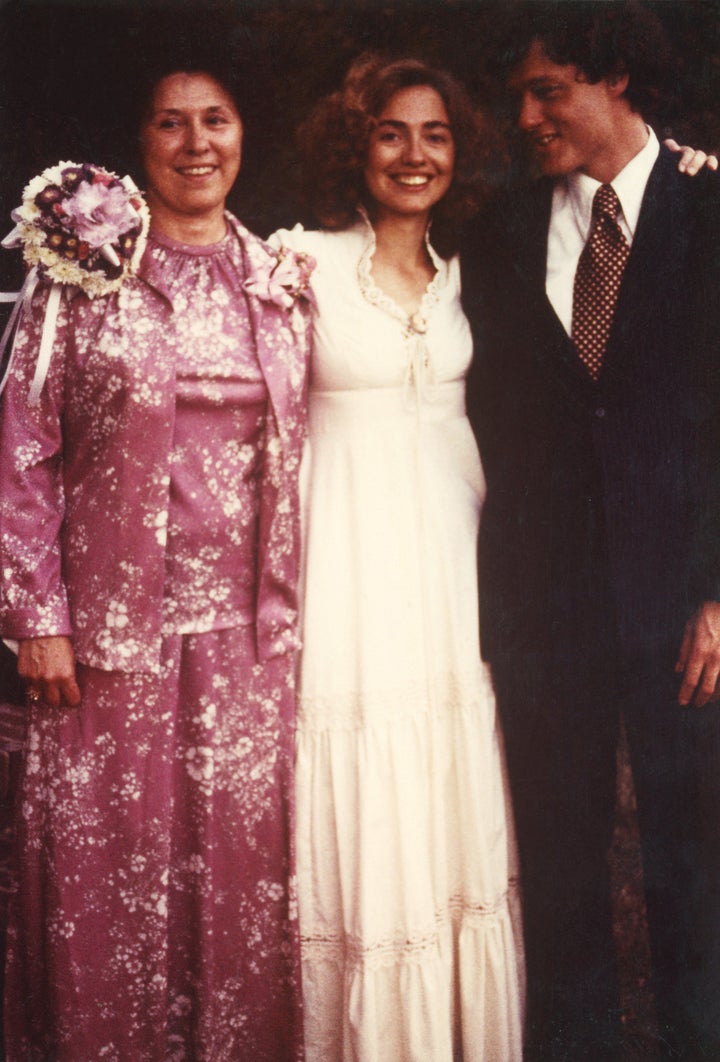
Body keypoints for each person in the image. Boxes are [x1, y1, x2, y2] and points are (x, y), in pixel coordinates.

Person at [0, 59, 311, 1060]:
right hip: (105, 637)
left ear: (243, 135)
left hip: (249, 643)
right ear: (138, 144)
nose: (195, 144)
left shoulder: (280, 279)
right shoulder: (79, 274)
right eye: (170, 123)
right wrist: (34, 617)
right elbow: (21, 443)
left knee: (234, 878)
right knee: (109, 877)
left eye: (214, 120)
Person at [461, 3, 720, 1057]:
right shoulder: (503, 229)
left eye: (546, 90)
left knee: (695, 860)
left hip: (684, 606)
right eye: (521, 95)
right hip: (548, 604)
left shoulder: (714, 210)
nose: (525, 115)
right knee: (560, 865)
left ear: (616, 79)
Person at [273, 55, 525, 1061]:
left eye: (435, 135)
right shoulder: (302, 263)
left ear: (459, 155)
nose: (414, 154)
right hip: (347, 572)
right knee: (362, 786)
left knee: (447, 783)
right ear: (356, 145)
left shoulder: (476, 274)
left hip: (451, 573)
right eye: (391, 132)